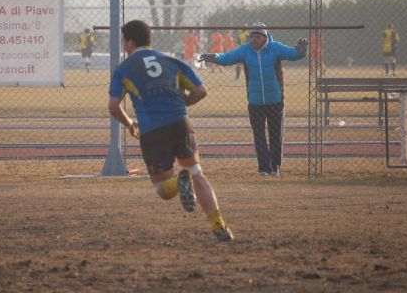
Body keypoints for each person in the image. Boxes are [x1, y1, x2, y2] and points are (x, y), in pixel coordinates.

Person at [108, 20, 234, 241]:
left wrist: (130, 124)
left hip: (153, 130)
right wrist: (181, 103)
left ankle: (179, 181)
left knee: (163, 189)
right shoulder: (171, 61)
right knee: (197, 173)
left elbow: (113, 106)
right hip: (180, 123)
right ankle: (219, 225)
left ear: (129, 42)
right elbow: (201, 91)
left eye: (123, 41)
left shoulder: (124, 69)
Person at [199, 22, 308, 177]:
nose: (253, 39)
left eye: (257, 36)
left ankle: (275, 167)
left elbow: (292, 54)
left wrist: (300, 52)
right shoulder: (245, 50)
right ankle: (263, 169)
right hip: (255, 102)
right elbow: (228, 58)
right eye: (252, 36)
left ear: (265, 37)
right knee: (259, 137)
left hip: (275, 100)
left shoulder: (275, 48)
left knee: (276, 136)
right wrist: (214, 57)